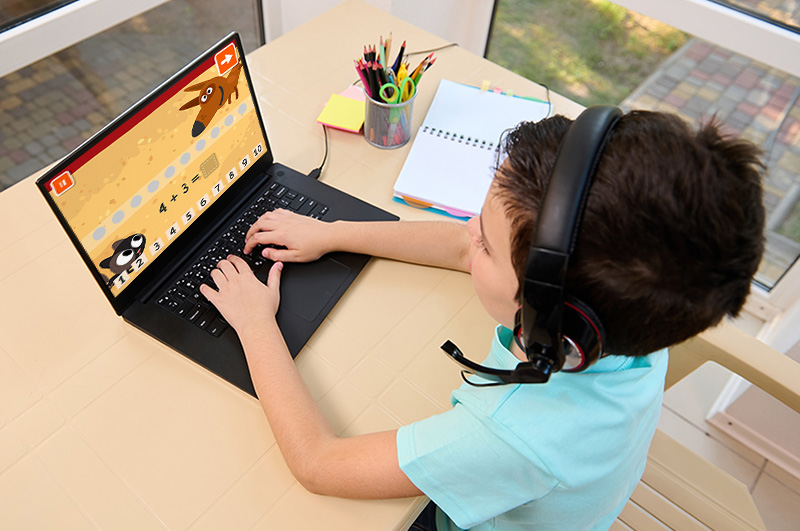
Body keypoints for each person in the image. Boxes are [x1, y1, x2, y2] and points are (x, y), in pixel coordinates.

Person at [198, 110, 765, 530]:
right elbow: (459, 244)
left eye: (488, 246)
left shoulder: (512, 436)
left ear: (551, 326)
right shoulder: (636, 303)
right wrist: (332, 233)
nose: (468, 230)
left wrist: (255, 323)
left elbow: (319, 464)